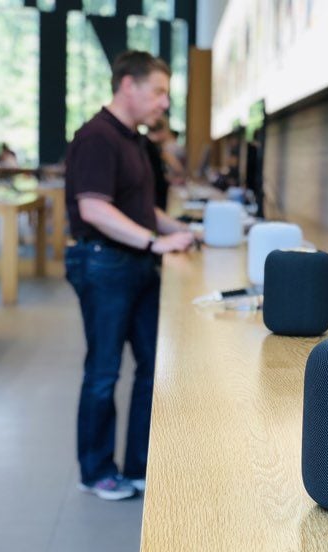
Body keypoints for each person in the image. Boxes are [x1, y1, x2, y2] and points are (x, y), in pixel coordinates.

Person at [64, 51, 196, 500]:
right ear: (128, 86)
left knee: (150, 367)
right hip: (105, 264)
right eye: (158, 91)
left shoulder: (133, 140)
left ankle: (139, 465)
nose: (164, 103)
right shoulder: (97, 137)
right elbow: (94, 208)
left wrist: (176, 228)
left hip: (136, 264)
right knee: (103, 371)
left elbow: (138, 207)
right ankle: (96, 470)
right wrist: (153, 242)